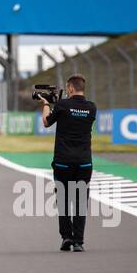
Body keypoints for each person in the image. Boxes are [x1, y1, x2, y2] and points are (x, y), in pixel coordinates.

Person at [42, 75, 97, 251]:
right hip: (84, 162)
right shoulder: (91, 108)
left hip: (63, 161)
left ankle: (66, 237)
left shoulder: (63, 105)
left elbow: (46, 122)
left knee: (64, 199)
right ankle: (78, 241)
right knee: (81, 200)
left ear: (71, 88)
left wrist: (45, 104)